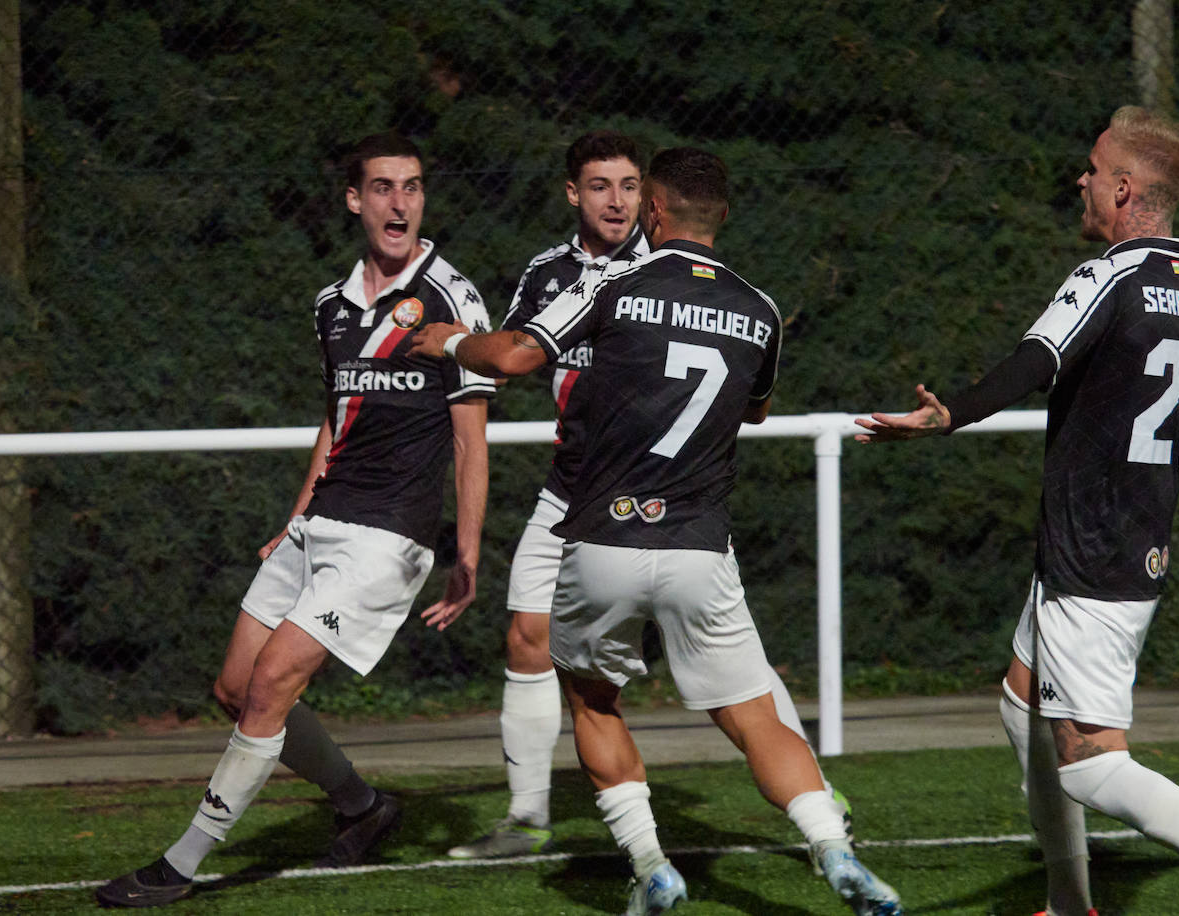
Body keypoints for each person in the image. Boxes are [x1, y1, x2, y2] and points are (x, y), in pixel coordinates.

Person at [414, 147, 901, 916]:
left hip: (602, 528)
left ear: (654, 211)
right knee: (753, 712)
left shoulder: (610, 284)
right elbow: (755, 410)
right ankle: (830, 846)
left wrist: (443, 340)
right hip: (698, 542)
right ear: (726, 216)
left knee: (594, 700)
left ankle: (649, 867)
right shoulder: (761, 309)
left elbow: (510, 355)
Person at [855, 106, 1179, 916]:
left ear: (1127, 189)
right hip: (1135, 536)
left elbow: (1036, 361)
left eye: (1095, 169)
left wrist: (945, 415)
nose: (1082, 179)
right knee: (1020, 700)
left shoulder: (1107, 276)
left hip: (1090, 546)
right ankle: (1070, 903)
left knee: (1091, 763)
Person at [95, 131, 495, 908]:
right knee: (234, 686)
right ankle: (363, 807)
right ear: (355, 200)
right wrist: (298, 514)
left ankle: (178, 865)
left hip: (389, 534)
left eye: (412, 187)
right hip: (325, 519)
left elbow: (470, 439)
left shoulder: (454, 297)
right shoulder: (333, 306)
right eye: (382, 187)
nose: (400, 202)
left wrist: (467, 554)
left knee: (273, 684)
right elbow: (335, 419)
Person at [446, 129, 651, 859]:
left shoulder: (663, 270)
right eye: (600, 185)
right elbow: (509, 357)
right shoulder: (547, 272)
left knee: (713, 662)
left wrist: (443, 340)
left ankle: (805, 787)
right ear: (573, 193)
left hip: (654, 496)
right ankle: (528, 820)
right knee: (528, 637)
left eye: (629, 185)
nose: (617, 200)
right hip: (568, 488)